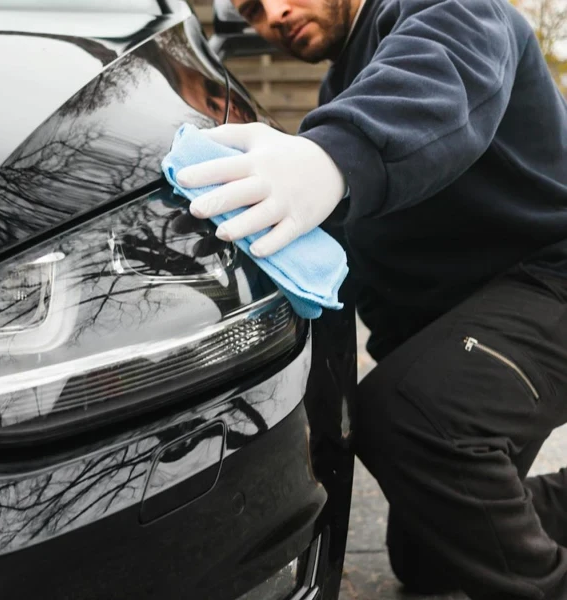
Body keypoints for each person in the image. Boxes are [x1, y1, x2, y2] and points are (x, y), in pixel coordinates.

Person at [176, 0, 567, 598]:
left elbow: (446, 68)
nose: (275, 13)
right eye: (252, 9)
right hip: (478, 325)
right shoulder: (343, 89)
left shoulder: (437, 11)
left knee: (413, 418)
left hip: (551, 281)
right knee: (430, 557)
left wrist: (334, 156)